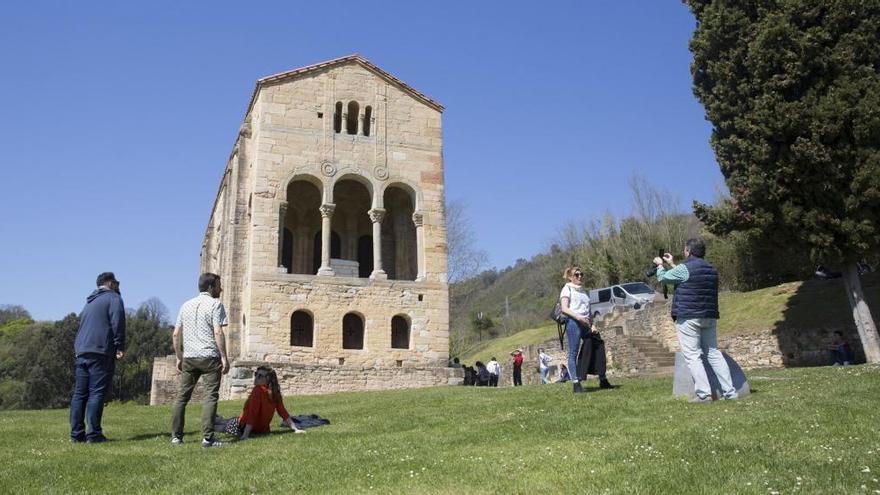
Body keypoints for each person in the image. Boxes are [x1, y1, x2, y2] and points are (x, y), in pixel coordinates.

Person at [654, 238, 738, 402]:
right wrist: (672, 263)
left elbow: (663, 278)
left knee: (693, 355)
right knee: (714, 353)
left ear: (688, 251)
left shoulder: (685, 268)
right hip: (709, 315)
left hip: (689, 316)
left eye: (685, 250)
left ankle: (704, 394)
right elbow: (687, 276)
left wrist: (659, 265)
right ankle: (730, 392)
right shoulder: (711, 269)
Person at [171, 273, 231, 447]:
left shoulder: (186, 305)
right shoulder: (215, 304)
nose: (221, 289)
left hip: (189, 357)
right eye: (219, 285)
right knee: (210, 397)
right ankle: (208, 438)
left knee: (181, 398)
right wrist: (224, 357)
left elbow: (176, 334)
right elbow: (218, 332)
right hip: (209, 357)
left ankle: (176, 437)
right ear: (211, 287)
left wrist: (178, 356)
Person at [70, 272, 126, 443]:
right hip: (100, 350)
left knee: (80, 394)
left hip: (82, 350)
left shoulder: (90, 301)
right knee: (96, 393)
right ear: (109, 283)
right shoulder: (113, 298)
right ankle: (94, 434)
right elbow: (118, 322)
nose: (119, 286)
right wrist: (119, 345)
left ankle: (76, 435)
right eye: (116, 282)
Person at [214, 366, 304, 439]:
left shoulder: (273, 393)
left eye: (260, 376)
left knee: (220, 423)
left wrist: (295, 429)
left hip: (254, 428)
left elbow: (282, 411)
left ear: (268, 379)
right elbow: (252, 413)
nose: (256, 378)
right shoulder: (258, 389)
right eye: (256, 374)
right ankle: (212, 420)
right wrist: (245, 435)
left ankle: (214, 419)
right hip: (242, 426)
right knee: (217, 425)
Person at [559, 266, 592, 393]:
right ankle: (576, 383)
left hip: (586, 323)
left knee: (595, 343)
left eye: (581, 274)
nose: (579, 276)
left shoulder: (583, 291)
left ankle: (601, 376)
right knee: (573, 352)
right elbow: (564, 308)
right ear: (570, 277)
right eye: (576, 275)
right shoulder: (566, 289)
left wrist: (592, 323)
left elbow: (588, 309)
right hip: (574, 322)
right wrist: (578, 317)